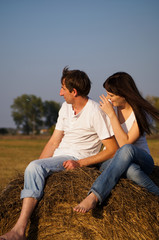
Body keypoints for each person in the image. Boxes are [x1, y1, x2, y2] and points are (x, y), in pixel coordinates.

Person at [0, 67, 118, 240]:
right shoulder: (65, 108)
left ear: (74, 91)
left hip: (75, 158)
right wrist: (37, 166)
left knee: (34, 168)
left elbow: (112, 149)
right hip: (60, 157)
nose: (60, 93)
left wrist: (80, 163)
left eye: (63, 88)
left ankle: (19, 230)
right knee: (33, 168)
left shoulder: (94, 111)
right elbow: (54, 141)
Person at [74, 71, 159, 213]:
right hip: (112, 161)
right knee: (132, 171)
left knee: (126, 150)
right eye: (107, 94)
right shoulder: (109, 109)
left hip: (142, 160)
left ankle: (94, 196)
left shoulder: (140, 113)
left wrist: (112, 115)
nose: (108, 99)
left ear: (125, 94)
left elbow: (125, 143)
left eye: (111, 95)